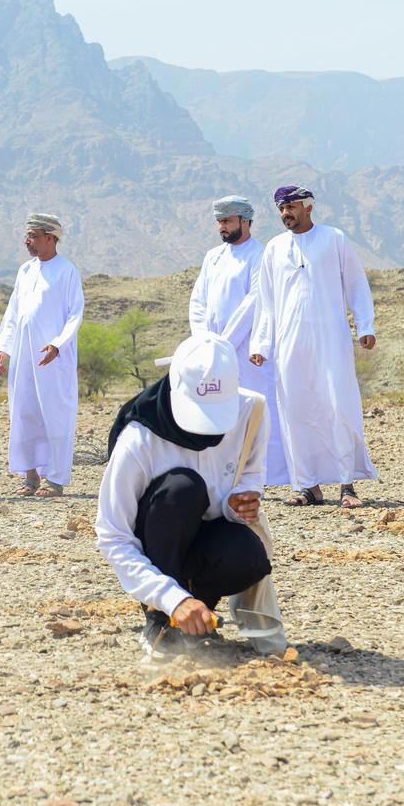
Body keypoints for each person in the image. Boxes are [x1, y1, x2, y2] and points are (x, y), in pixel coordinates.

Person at [96, 333, 281, 659]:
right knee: (181, 488)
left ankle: (197, 617)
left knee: (247, 555)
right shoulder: (139, 438)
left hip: (206, 535)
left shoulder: (251, 412)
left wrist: (237, 501)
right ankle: (162, 618)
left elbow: (249, 473)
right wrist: (170, 597)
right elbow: (113, 536)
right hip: (158, 540)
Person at [249, 185, 378, 508]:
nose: (285, 214)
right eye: (281, 208)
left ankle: (347, 485)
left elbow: (356, 284)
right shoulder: (275, 248)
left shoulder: (334, 239)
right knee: (296, 410)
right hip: (289, 343)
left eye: (291, 207)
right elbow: (265, 300)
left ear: (308, 207)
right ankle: (308, 486)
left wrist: (365, 325)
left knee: (339, 405)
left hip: (331, 340)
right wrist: (261, 342)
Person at [188, 195, 287, 490]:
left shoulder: (261, 255)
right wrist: (204, 341)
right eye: (219, 221)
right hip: (213, 351)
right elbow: (198, 302)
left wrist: (223, 343)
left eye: (228, 221)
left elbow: (252, 304)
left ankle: (265, 479)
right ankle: (222, 475)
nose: (222, 227)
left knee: (255, 413)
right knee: (219, 411)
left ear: (245, 221)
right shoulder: (213, 257)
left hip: (247, 351)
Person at [0, 213, 85, 497]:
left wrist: (58, 344)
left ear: (51, 237)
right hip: (24, 355)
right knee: (24, 412)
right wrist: (5, 347)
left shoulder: (67, 271)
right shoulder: (25, 271)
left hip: (53, 358)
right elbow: (13, 312)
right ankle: (30, 476)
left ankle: (55, 480)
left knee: (55, 415)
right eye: (28, 235)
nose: (27, 241)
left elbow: (75, 314)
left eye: (33, 236)